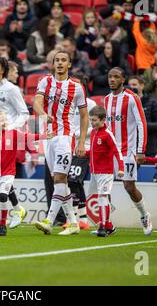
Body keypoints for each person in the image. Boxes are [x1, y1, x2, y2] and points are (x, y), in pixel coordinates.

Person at [33, 50, 89, 236]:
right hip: (49, 138)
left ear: (69, 64)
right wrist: (43, 114)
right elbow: (36, 102)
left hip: (65, 137)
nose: (59, 63)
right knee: (60, 182)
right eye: (57, 60)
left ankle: (49, 220)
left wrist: (81, 141)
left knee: (58, 179)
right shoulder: (45, 81)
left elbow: (84, 116)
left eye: (63, 60)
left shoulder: (76, 87)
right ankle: (73, 222)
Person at [0, 110, 49, 236]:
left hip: (8, 173)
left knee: (3, 196)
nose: (4, 122)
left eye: (5, 119)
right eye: (1, 120)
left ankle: (3, 226)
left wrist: (44, 135)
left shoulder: (13, 133)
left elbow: (29, 137)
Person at [0, 57, 29, 229]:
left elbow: (24, 113)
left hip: (8, 137)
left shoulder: (12, 89)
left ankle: (14, 211)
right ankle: (14, 211)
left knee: (4, 174)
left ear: (3, 70)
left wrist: (11, 128)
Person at [104, 67, 152, 235]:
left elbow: (142, 124)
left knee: (129, 187)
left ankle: (145, 215)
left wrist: (140, 150)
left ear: (123, 79)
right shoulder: (106, 99)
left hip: (128, 151)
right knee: (104, 188)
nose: (112, 80)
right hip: (110, 152)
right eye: (110, 76)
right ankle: (107, 223)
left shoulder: (132, 98)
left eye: (116, 77)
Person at [85, 105, 124, 237]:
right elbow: (93, 152)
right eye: (91, 120)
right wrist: (83, 153)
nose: (92, 122)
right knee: (98, 197)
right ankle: (109, 226)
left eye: (95, 120)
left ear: (103, 120)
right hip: (95, 172)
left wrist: (121, 168)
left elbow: (117, 152)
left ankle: (102, 226)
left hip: (106, 172)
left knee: (102, 197)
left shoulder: (107, 134)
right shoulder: (94, 133)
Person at [64, 96, 96, 231]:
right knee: (77, 182)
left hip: (85, 147)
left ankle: (74, 218)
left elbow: (95, 125)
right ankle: (82, 219)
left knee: (72, 180)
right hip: (69, 146)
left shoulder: (90, 103)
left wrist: (77, 134)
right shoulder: (67, 103)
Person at [128, 75, 157, 157]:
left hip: (149, 149)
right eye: (129, 85)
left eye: (134, 85)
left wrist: (142, 125)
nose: (131, 87)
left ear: (142, 86)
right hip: (129, 149)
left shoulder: (153, 103)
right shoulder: (125, 103)